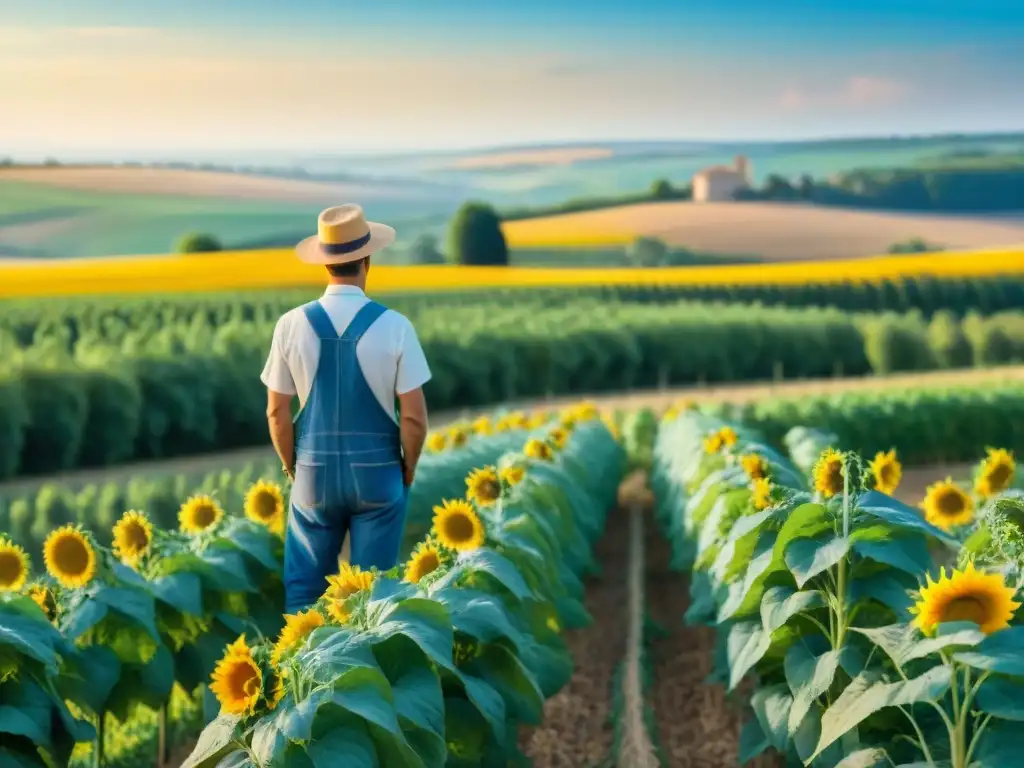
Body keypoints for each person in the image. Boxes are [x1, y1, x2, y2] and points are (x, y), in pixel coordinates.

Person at [260, 204, 431, 613]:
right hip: (379, 476)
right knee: (373, 601)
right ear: (367, 260)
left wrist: (291, 465)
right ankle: (366, 671)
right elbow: (414, 418)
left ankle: (307, 672)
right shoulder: (396, 326)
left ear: (325, 264)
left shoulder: (290, 325)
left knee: (304, 595)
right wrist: (406, 467)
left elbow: (276, 414)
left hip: (312, 476)